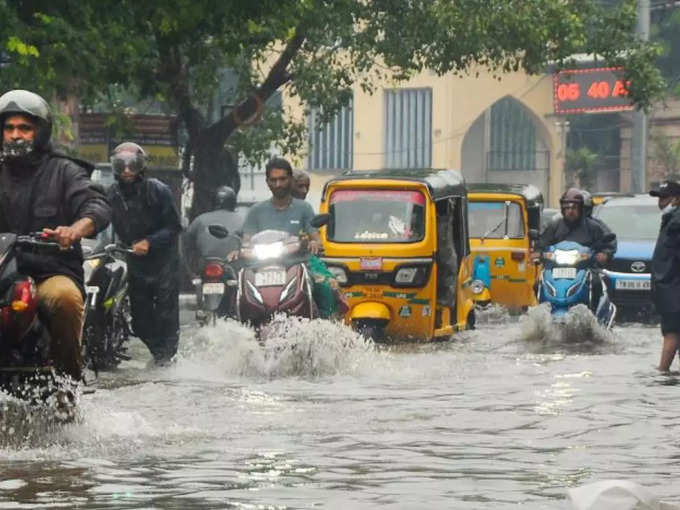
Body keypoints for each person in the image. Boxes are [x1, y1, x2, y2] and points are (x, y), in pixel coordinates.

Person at [0, 89, 111, 382]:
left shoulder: (64, 171)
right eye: (9, 128)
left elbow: (95, 204)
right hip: (3, 274)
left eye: (24, 127)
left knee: (65, 300)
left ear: (40, 132)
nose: (15, 135)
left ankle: (66, 386)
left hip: (49, 272)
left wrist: (74, 230)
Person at [107, 142, 182, 364]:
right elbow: (99, 218)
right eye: (122, 166)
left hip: (163, 261)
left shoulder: (158, 190)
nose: (127, 171)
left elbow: (174, 227)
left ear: (141, 167)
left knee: (166, 312)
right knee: (139, 320)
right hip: (134, 260)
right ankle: (159, 353)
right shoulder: (111, 195)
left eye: (132, 165)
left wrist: (150, 242)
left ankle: (166, 358)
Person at [535, 187, 617, 311]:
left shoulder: (593, 227)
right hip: (556, 268)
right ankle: (542, 313)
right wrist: (538, 252)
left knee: (596, 283)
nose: (570, 211)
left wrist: (605, 254)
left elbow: (608, 241)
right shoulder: (554, 226)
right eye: (567, 208)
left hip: (584, 268)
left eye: (574, 208)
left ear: (580, 209)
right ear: (562, 209)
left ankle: (593, 315)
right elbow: (542, 242)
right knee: (537, 284)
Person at [183, 186, 243, 318]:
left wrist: (191, 271)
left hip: (204, 265)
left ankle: (202, 308)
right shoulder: (242, 220)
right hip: (231, 266)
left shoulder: (199, 220)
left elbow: (187, 244)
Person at [240, 157, 320, 253]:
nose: (278, 184)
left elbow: (316, 239)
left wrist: (313, 243)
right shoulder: (255, 211)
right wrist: (241, 250)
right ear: (267, 182)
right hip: (261, 264)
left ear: (290, 179)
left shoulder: (305, 208)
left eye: (282, 179)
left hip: (296, 263)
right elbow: (246, 243)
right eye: (273, 180)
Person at [649, 180, 680, 372]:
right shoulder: (670, 220)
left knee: (671, 332)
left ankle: (662, 372)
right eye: (659, 198)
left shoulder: (677, 222)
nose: (660, 202)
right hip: (668, 287)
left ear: (676, 198)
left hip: (673, 288)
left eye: (664, 198)